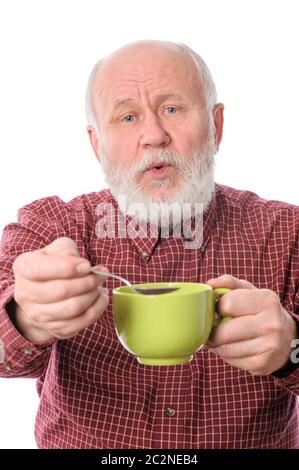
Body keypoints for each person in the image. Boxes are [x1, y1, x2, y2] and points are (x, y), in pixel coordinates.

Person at [0, 40, 298, 449]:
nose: (154, 135)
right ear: (97, 145)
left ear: (217, 127)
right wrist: (27, 316)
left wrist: (290, 349)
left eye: (172, 109)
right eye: (127, 117)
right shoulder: (51, 226)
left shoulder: (288, 232)